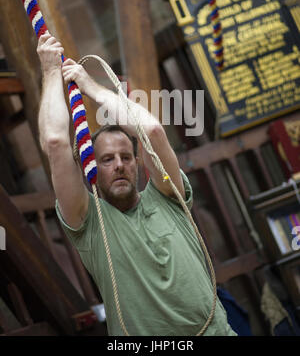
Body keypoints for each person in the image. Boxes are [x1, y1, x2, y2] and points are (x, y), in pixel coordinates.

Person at [37, 32, 236, 336]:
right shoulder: (91, 223)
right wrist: (51, 73)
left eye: (126, 156)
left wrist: (93, 88)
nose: (118, 164)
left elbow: (153, 131)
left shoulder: (169, 198)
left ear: (137, 162)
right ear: (91, 169)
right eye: (106, 159)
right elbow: (54, 143)